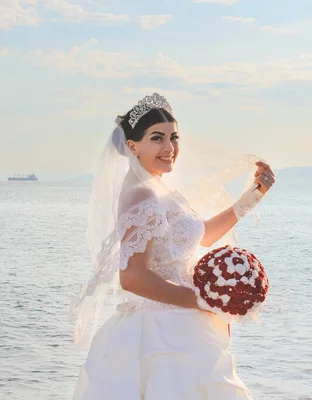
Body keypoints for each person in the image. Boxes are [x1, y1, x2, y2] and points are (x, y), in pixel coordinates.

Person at [70, 93, 275, 400]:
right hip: (162, 332)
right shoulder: (141, 195)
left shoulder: (157, 187)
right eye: (157, 138)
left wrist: (252, 197)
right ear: (132, 147)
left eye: (173, 137)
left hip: (182, 323)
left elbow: (200, 236)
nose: (169, 148)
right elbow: (133, 278)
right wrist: (203, 300)